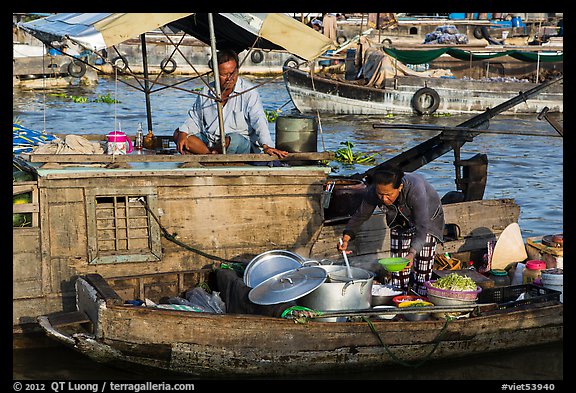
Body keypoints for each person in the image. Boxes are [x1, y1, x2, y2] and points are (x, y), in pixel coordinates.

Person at [337, 165, 444, 296]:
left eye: (388, 194)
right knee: (398, 267)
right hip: (399, 219)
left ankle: (420, 300)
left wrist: (412, 253)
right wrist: (347, 237)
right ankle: (398, 297)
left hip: (428, 220)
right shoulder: (374, 191)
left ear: (399, 187)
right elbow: (361, 215)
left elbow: (422, 226)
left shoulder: (415, 189)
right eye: (380, 194)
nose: (384, 199)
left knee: (422, 269)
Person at [173, 49, 288, 159]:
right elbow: (194, 119)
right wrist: (183, 133)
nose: (230, 78)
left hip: (240, 143)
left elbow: (259, 120)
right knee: (178, 134)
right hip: (211, 142)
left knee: (232, 140)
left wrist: (266, 145)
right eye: (224, 74)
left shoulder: (249, 92)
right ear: (215, 74)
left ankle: (211, 156)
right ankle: (211, 156)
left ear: (237, 70)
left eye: (232, 73)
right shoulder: (206, 91)